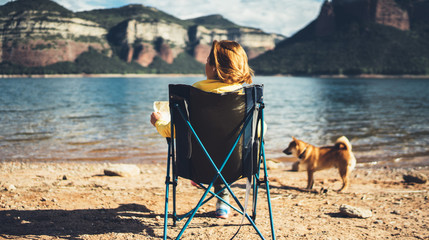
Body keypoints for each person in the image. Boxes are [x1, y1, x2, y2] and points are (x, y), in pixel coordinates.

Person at [150, 40, 254, 219]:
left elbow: (173, 132)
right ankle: (223, 200)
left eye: (207, 60)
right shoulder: (246, 98)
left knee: (207, 150)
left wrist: (158, 122)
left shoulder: (194, 93)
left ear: (215, 68)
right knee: (225, 150)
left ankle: (209, 186)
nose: (205, 64)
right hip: (237, 168)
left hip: (196, 167)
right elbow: (259, 131)